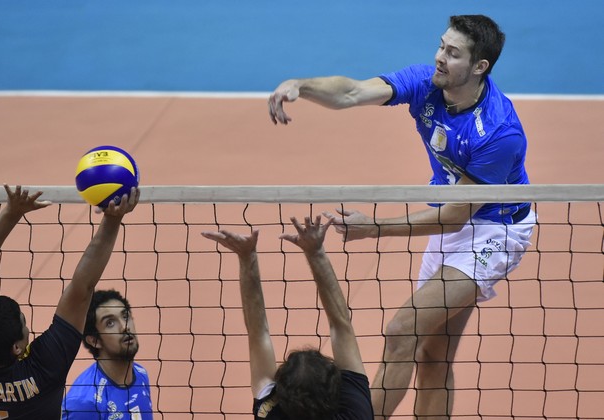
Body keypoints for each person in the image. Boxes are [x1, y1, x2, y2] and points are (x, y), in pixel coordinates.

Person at [268, 14, 536, 419]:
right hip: (452, 214)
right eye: (441, 46)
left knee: (402, 331)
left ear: (480, 67)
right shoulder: (426, 83)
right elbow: (352, 92)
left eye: (453, 53)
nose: (439, 58)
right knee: (434, 354)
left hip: (494, 231)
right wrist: (301, 86)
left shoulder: (499, 133)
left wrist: (373, 228)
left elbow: (453, 217)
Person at [0, 184, 139, 419]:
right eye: (24, 323)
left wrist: (10, 214)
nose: (26, 325)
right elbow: (81, 288)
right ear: (17, 347)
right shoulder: (44, 368)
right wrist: (113, 218)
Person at [202, 215, 374, 420]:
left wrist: (247, 256)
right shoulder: (356, 414)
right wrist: (316, 252)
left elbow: (259, 334)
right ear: (335, 391)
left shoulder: (270, 413)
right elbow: (341, 325)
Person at [62, 289, 153, 419]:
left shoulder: (140, 373)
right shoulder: (84, 403)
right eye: (110, 323)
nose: (124, 327)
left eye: (125, 316)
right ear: (95, 341)